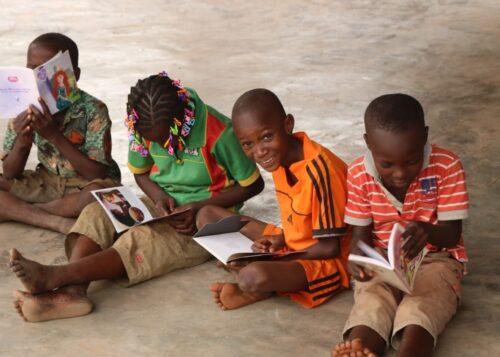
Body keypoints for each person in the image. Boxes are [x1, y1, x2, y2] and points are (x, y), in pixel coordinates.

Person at [8, 73, 264, 322]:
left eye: (165, 139)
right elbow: (141, 174)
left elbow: (253, 185)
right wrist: (158, 196)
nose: (160, 146)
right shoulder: (142, 124)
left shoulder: (219, 133)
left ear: (181, 121)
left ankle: (57, 277)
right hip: (161, 201)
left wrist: (197, 206)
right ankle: (74, 293)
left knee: (141, 240)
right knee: (99, 210)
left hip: (204, 220)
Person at [332, 94, 469, 357]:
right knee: (372, 300)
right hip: (383, 260)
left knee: (420, 305)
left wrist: (428, 231)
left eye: (411, 161)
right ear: (368, 142)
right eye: (387, 164)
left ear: (425, 137)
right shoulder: (358, 174)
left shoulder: (446, 165)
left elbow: (451, 234)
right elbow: (359, 237)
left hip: (437, 258)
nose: (400, 173)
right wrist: (357, 261)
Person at [197, 88, 351, 310]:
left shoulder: (321, 171)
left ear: (287, 125)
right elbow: (298, 221)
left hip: (326, 262)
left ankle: (256, 285)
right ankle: (258, 277)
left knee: (252, 275)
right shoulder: (280, 159)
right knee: (207, 216)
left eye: (267, 137)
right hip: (290, 246)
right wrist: (278, 240)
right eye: (247, 144)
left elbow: (329, 248)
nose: (259, 152)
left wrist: (272, 260)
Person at [0, 32, 120, 233]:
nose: (39, 79)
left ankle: (26, 212)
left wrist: (54, 136)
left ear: (75, 74)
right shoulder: (24, 105)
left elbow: (96, 173)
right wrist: (23, 140)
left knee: (100, 194)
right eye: (32, 69)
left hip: (83, 186)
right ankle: (58, 220)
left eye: (48, 71)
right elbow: (11, 173)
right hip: (46, 182)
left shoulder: (94, 109)